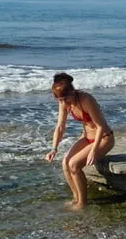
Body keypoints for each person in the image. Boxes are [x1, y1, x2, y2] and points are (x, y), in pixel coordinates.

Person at [44, 72, 115, 210]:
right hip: (87, 137)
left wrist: (94, 151)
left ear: (73, 91)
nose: (64, 103)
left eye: (66, 98)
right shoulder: (63, 102)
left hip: (104, 139)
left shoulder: (86, 99)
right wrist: (54, 149)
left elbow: (100, 126)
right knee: (65, 163)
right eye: (60, 100)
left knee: (74, 165)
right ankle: (76, 198)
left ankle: (82, 203)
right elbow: (60, 126)